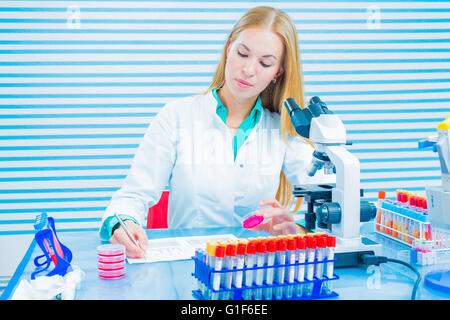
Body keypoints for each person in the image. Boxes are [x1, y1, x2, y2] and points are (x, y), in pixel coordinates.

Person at [98, 6, 335, 258]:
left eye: (265, 62)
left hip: (256, 269)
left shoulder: (284, 129)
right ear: (228, 49)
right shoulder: (176, 116)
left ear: (278, 72)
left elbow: (330, 199)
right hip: (190, 268)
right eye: (242, 54)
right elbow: (133, 194)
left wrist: (295, 229)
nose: (249, 70)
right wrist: (123, 222)